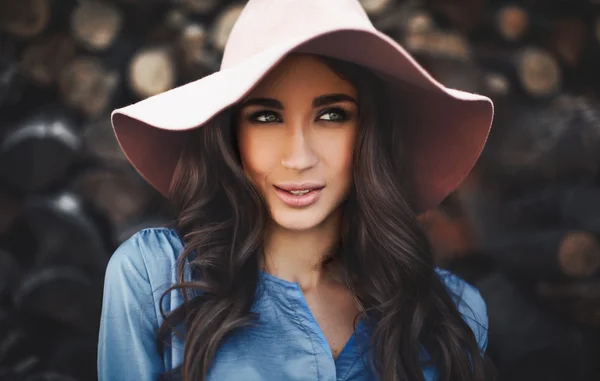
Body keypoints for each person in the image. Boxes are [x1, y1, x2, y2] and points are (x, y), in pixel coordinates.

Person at [97, 0, 495, 380]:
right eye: (266, 116)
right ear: (231, 134)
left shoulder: (450, 314)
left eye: (332, 115)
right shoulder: (155, 278)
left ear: (367, 134)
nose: (299, 157)